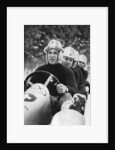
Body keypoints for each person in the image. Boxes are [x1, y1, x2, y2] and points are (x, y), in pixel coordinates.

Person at [30, 39, 78, 115]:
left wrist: (66, 88)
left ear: (59, 55)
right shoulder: (40, 69)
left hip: (57, 105)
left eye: (55, 53)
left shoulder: (67, 71)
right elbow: (29, 84)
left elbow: (75, 89)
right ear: (47, 54)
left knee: (67, 95)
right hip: (39, 103)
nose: (52, 56)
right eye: (50, 53)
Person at [62, 46, 87, 115]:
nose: (68, 62)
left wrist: (82, 93)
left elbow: (78, 86)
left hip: (68, 95)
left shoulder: (75, 72)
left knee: (67, 96)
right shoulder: (59, 68)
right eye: (66, 59)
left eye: (71, 60)